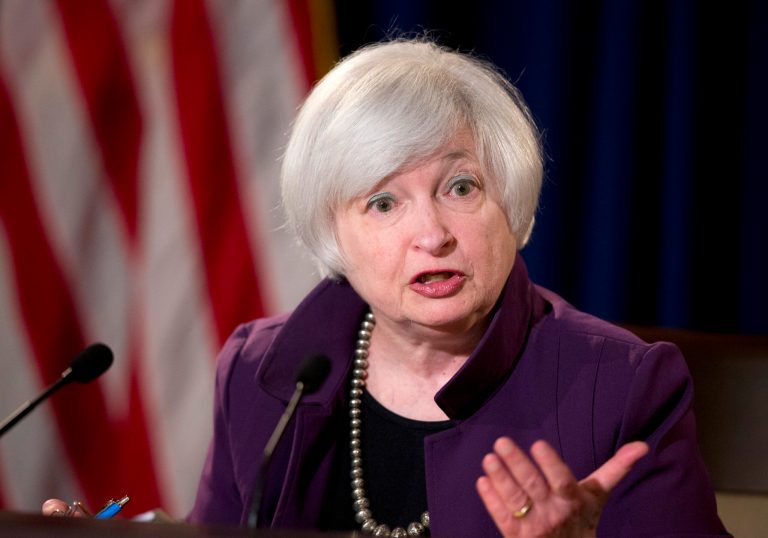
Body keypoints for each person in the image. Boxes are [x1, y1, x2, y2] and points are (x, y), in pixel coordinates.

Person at [45, 39, 728, 537]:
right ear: (333, 234)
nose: (432, 234)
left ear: (511, 201)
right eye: (382, 203)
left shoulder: (622, 386)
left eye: (461, 187)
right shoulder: (263, 373)